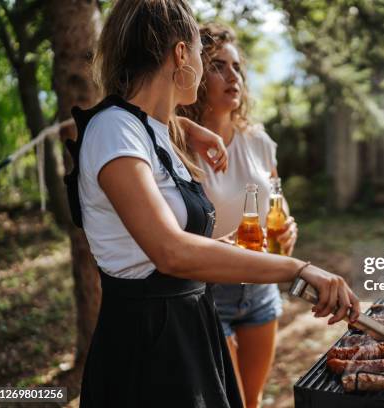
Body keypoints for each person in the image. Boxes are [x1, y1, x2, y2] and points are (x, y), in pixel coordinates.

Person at [65, 1, 359, 407]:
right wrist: (299, 269)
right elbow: (170, 252)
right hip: (148, 343)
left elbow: (180, 243)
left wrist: (248, 253)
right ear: (181, 54)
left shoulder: (150, 131)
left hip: (189, 325)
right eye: (204, 57)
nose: (206, 69)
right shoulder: (115, 131)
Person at [178, 23, 296, 408]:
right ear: (195, 74)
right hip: (209, 291)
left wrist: (289, 226)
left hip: (261, 286)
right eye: (218, 66)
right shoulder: (178, 146)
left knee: (253, 401)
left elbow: (276, 200)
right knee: (228, 402)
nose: (233, 77)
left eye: (237, 67)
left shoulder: (258, 141)